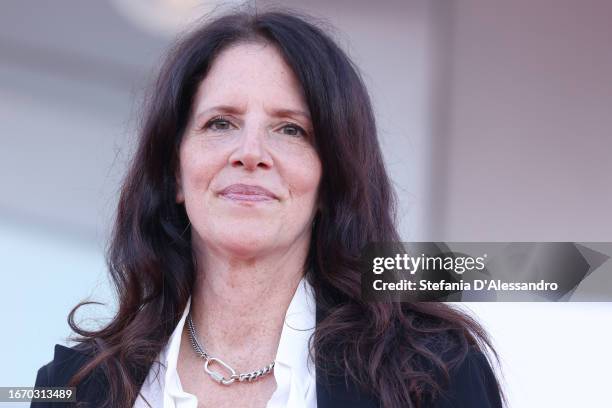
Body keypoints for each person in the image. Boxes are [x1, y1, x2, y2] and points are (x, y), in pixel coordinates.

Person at [32, 9, 505, 408]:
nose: (250, 152)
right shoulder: (72, 388)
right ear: (175, 172)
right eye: (221, 123)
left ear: (329, 180)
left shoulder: (431, 374)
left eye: (291, 130)